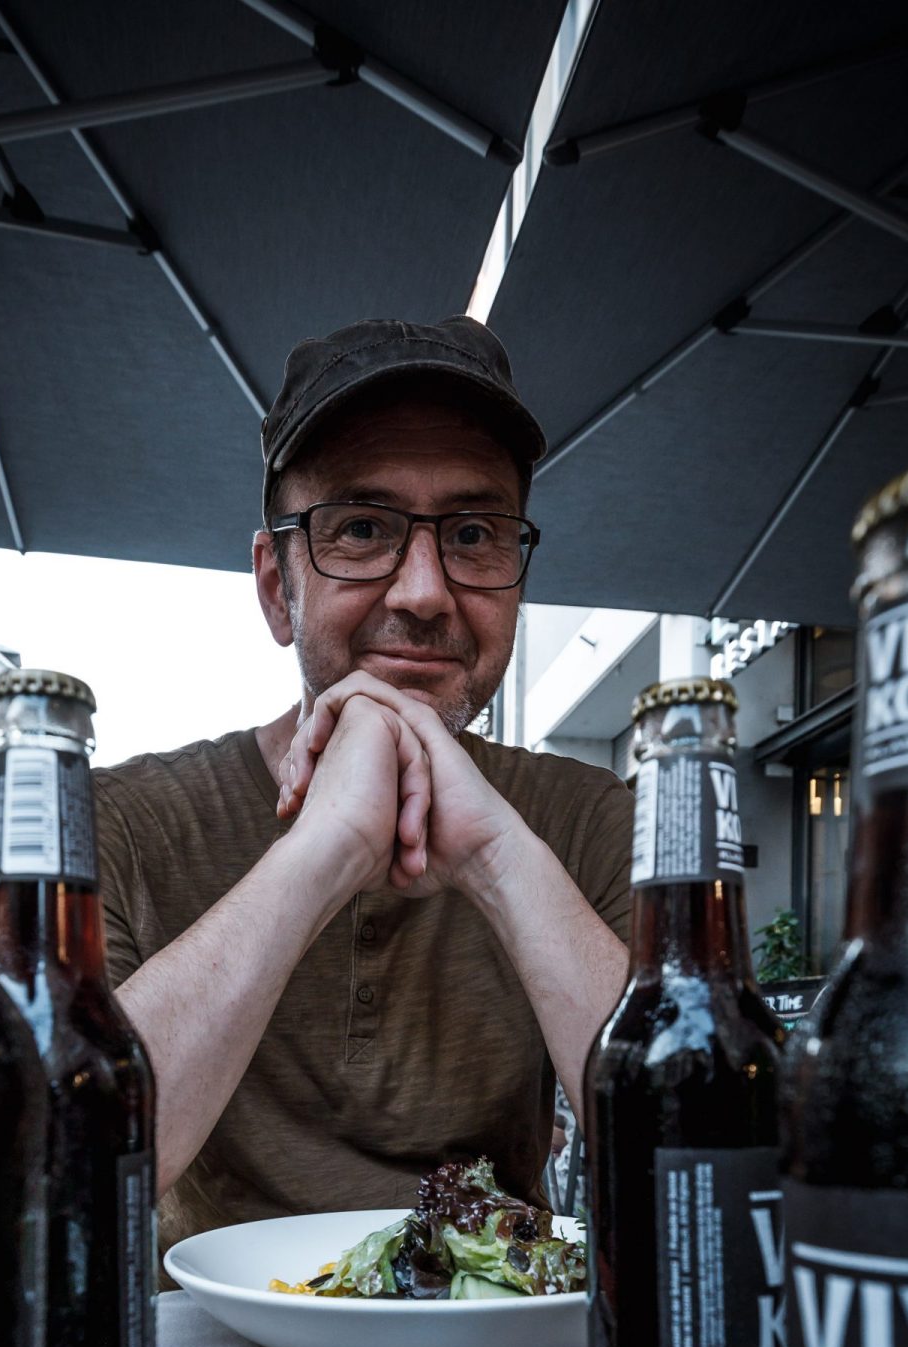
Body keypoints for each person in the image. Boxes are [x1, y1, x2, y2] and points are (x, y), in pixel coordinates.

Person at [94, 316, 633, 1249]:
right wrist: (323, 851)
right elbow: (54, 1162)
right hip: (207, 1334)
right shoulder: (124, 822)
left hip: (504, 1327)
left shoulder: (591, 821)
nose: (424, 592)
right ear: (277, 589)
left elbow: (700, 1155)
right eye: (361, 528)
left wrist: (499, 858)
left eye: (473, 533)